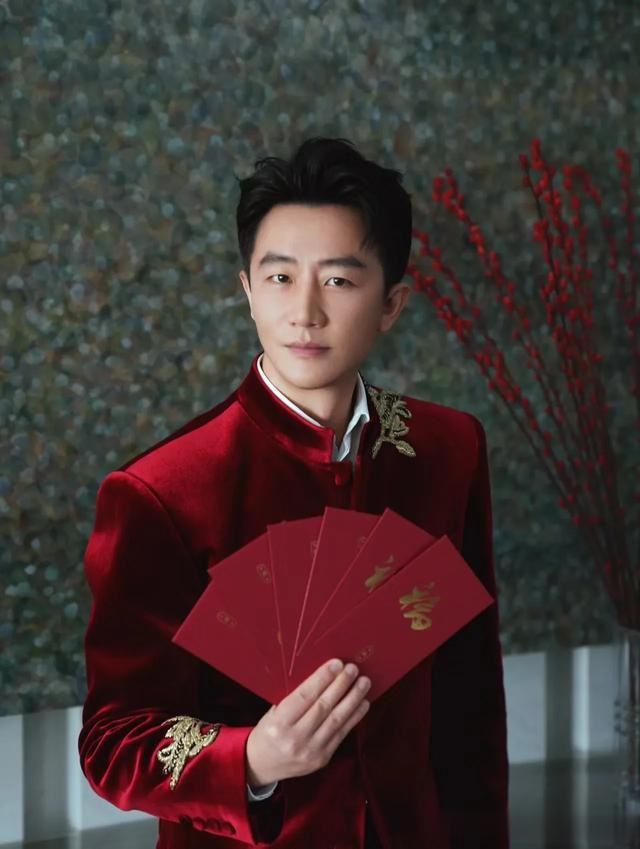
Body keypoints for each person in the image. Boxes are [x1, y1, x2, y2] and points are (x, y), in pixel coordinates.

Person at [78, 136, 510, 848]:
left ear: (392, 302)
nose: (305, 311)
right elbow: (112, 740)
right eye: (280, 277)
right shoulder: (160, 490)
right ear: (247, 291)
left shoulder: (446, 450)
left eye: (339, 280)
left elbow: (470, 710)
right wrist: (252, 757)